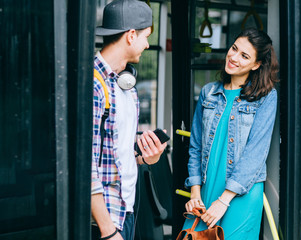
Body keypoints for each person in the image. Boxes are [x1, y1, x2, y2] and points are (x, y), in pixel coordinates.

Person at [182, 28, 279, 239]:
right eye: (234, 48)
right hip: (206, 189)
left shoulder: (266, 98)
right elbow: (196, 147)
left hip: (240, 195)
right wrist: (195, 192)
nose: (233, 57)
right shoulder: (208, 92)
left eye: (244, 56)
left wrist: (224, 200)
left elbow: (256, 153)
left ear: (256, 64)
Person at [91, 1, 167, 240]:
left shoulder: (126, 86)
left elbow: (115, 153)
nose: (147, 44)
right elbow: (86, 165)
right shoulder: (93, 86)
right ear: (131, 35)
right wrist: (108, 231)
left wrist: (145, 157)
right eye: (146, 36)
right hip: (103, 222)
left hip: (125, 211)